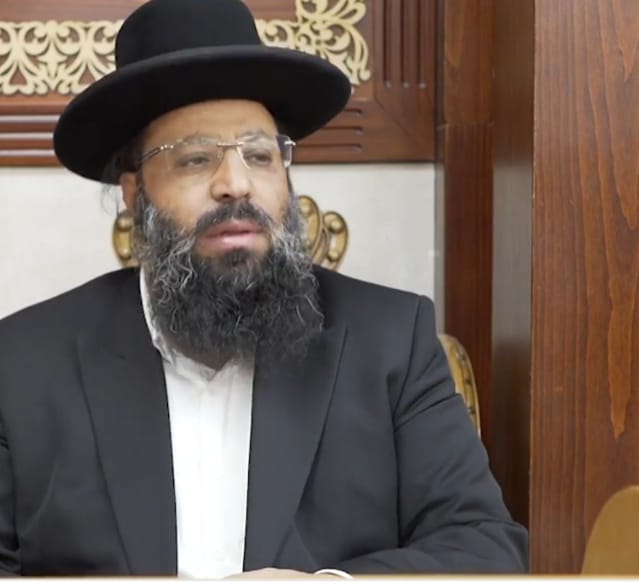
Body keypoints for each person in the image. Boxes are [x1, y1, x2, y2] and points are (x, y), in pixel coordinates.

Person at [0, 0, 528, 577]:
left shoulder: (390, 343)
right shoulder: (23, 365)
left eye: (259, 155)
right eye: (195, 159)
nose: (236, 184)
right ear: (134, 195)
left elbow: (483, 548)